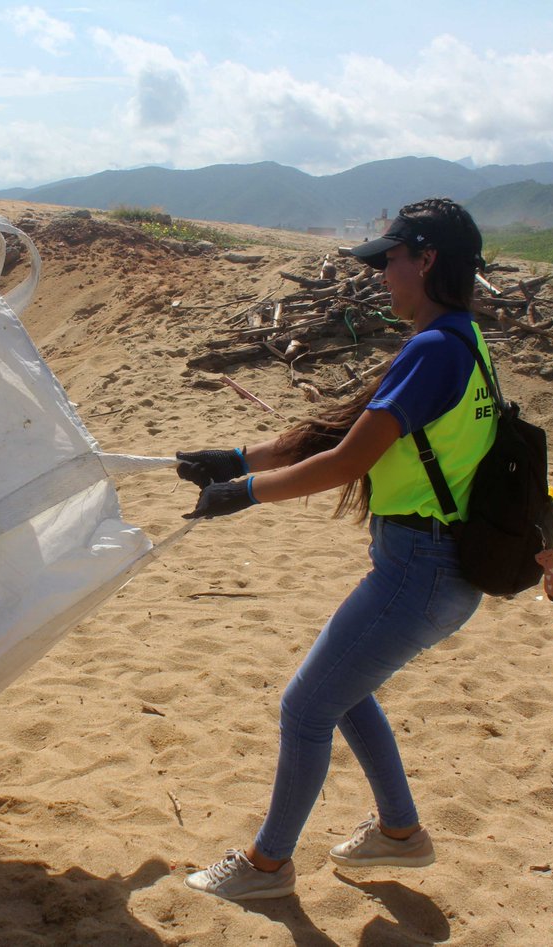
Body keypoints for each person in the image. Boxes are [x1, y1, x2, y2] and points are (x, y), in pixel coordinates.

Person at [179, 198, 495, 901]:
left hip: (420, 569)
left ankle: (267, 865)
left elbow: (346, 462)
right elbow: (332, 434)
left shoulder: (435, 350)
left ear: (428, 259)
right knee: (345, 694)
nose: (384, 274)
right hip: (437, 568)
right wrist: (230, 458)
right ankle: (401, 832)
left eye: (391, 259)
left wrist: (246, 493)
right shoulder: (464, 341)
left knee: (304, 707)